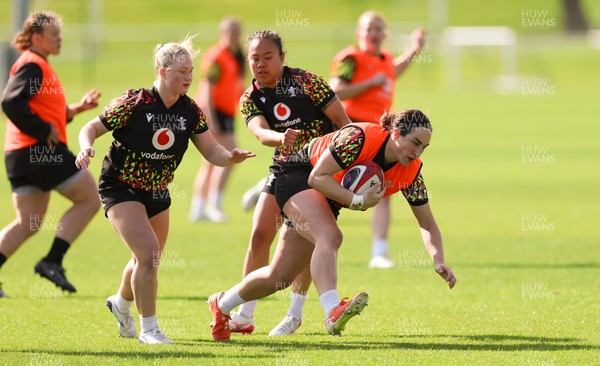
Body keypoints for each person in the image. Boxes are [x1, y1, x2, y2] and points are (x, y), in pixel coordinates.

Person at [208, 109, 457, 341]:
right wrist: (357, 200)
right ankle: (332, 310)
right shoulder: (359, 137)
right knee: (330, 236)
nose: (418, 152)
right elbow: (316, 176)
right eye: (415, 143)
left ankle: (221, 304)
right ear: (395, 133)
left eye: (424, 147)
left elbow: (427, 224)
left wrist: (439, 259)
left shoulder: (411, 172)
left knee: (279, 276)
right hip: (298, 175)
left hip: (326, 197)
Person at [74, 35, 254, 344]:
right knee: (148, 254)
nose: (188, 77)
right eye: (181, 71)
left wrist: (230, 157)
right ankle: (150, 330)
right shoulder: (135, 102)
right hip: (120, 186)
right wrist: (86, 147)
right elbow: (90, 127)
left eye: (191, 71)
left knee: (146, 260)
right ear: (161, 70)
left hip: (157, 191)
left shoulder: (191, 111)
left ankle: (120, 303)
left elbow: (212, 151)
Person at [225, 29, 351, 337]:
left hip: (319, 172)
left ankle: (294, 314)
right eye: (254, 58)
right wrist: (280, 138)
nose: (261, 64)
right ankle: (244, 314)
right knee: (259, 234)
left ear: (282, 58)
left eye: (268, 57)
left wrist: (344, 166)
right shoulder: (250, 97)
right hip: (284, 168)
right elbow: (259, 131)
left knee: (310, 237)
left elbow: (343, 123)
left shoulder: (306, 82)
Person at [0, 11, 101, 298]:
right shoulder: (32, 64)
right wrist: (42, 129)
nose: (59, 39)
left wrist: (74, 110)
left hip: (20, 155)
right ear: (36, 37)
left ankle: (50, 262)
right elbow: (10, 102)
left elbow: (42, 110)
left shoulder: (36, 64)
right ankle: (52, 261)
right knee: (89, 198)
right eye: (54, 34)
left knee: (28, 221)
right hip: (39, 151)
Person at [329, 11, 426, 269]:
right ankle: (274, 185)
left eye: (379, 28)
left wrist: (415, 49)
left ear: (385, 34)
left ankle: (379, 252)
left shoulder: (385, 60)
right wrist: (371, 82)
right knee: (320, 180)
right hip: (350, 132)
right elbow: (335, 88)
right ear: (359, 33)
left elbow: (393, 71)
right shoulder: (351, 58)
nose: (374, 32)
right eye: (369, 28)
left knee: (384, 189)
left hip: (379, 135)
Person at [189, 16, 246, 223]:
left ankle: (198, 208)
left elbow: (238, 86)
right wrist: (210, 119)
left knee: (210, 162)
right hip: (213, 111)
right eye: (229, 31)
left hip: (227, 112)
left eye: (236, 31)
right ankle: (214, 205)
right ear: (222, 33)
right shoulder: (215, 57)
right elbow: (208, 89)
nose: (233, 35)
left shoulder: (237, 56)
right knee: (232, 155)